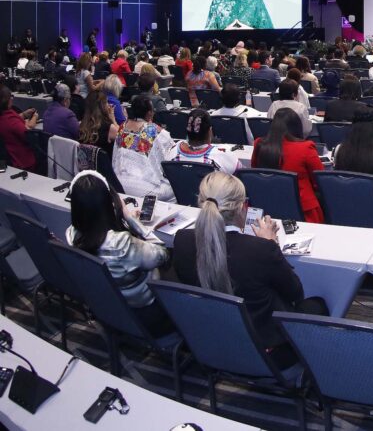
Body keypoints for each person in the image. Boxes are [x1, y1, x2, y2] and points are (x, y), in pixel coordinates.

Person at [172, 171, 327, 367]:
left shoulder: (182, 240)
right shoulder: (260, 250)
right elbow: (296, 293)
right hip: (266, 354)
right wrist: (272, 245)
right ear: (243, 207)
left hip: (210, 340)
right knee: (318, 305)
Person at [66, 171, 173, 335]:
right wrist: (131, 219)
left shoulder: (71, 235)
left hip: (109, 311)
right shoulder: (121, 244)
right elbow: (162, 254)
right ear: (108, 204)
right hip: (146, 314)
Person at [252, 108, 325, 223]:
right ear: (297, 127)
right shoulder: (306, 148)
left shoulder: (259, 144)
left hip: (268, 207)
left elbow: (255, 172)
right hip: (304, 212)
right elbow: (320, 182)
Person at [112, 95, 175, 201]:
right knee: (174, 189)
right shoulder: (154, 130)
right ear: (149, 113)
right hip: (144, 187)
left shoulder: (122, 127)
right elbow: (169, 151)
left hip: (119, 182)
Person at [169, 109, 240, 173]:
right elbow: (239, 176)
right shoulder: (224, 155)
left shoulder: (172, 153)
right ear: (210, 131)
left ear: (188, 131)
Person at [0, 87, 38, 170]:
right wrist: (33, 117)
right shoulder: (11, 121)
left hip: (10, 158)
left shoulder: (5, 115)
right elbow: (28, 136)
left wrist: (23, 115)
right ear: (8, 100)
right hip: (22, 162)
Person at [80, 89, 118, 155]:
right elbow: (123, 139)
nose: (108, 105)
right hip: (105, 163)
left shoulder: (81, 125)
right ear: (102, 106)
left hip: (85, 164)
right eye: (106, 102)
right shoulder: (110, 128)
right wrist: (113, 119)